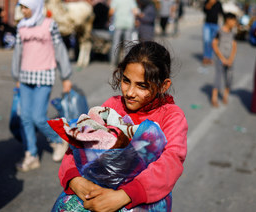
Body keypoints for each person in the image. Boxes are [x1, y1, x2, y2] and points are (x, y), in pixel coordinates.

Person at [58, 41, 188, 211]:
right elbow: (80, 144)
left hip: (142, 200)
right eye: (126, 81)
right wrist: (74, 179)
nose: (130, 92)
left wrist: (125, 195)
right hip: (97, 193)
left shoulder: (171, 116)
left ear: (163, 86)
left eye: (142, 86)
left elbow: (171, 161)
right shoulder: (111, 107)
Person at [11, 0, 72, 172]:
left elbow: (59, 49)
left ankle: (58, 141)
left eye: (26, 7)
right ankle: (31, 155)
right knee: (25, 117)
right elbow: (18, 52)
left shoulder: (49, 25)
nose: (23, 11)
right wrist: (16, 74)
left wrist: (66, 76)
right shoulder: (21, 26)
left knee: (38, 117)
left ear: (35, 6)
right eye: (21, 7)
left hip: (44, 76)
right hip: (25, 76)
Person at [211, 12, 237, 107]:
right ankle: (214, 98)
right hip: (220, 59)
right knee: (218, 78)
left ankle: (225, 96)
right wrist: (222, 58)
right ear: (228, 20)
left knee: (229, 78)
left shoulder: (233, 33)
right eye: (234, 21)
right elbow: (214, 44)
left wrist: (231, 59)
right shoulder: (219, 32)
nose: (235, 23)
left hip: (229, 59)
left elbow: (234, 46)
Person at [109, 0, 139, 67]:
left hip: (118, 23)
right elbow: (135, 11)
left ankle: (113, 62)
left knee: (116, 43)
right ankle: (126, 63)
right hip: (129, 24)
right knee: (127, 44)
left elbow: (111, 12)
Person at [202, 0, 224, 65]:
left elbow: (222, 13)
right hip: (207, 24)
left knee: (212, 42)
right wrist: (210, 3)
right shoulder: (207, 1)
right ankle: (206, 57)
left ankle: (210, 58)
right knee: (206, 41)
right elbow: (205, 11)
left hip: (215, 25)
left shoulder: (218, 3)